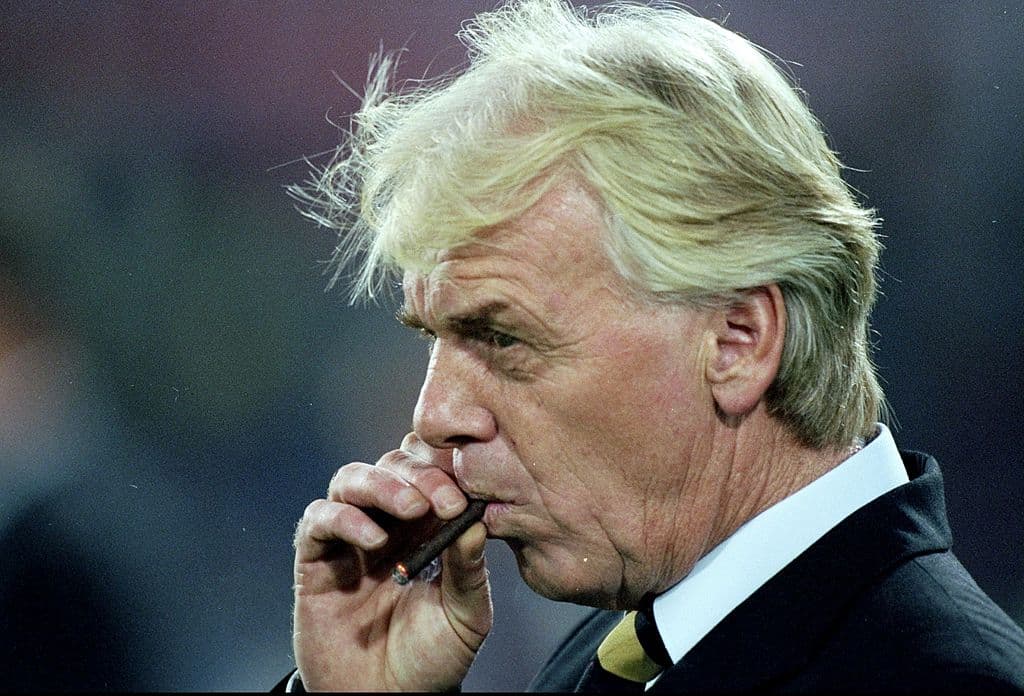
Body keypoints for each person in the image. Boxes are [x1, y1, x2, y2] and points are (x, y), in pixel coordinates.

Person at [281, 0, 1024, 691]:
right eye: (433, 338)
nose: (435, 414)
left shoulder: (942, 680)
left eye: (503, 337)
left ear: (738, 342)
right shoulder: (614, 652)